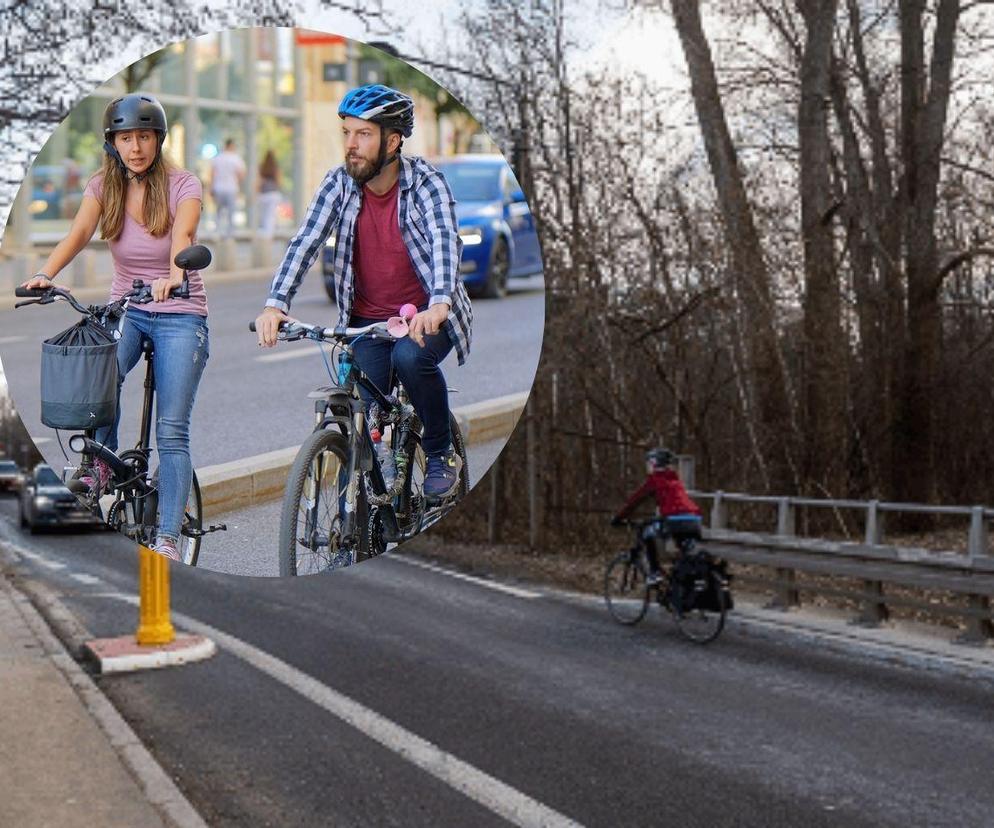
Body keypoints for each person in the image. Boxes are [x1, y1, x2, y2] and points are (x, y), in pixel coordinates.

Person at [255, 84, 473, 501]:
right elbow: (305, 242)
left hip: (427, 316)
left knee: (411, 359)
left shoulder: (426, 182)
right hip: (367, 323)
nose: (351, 145)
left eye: (364, 135)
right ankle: (359, 509)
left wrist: (440, 302)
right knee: (365, 406)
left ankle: (441, 452)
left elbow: (446, 240)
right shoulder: (338, 183)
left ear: (392, 141)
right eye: (347, 134)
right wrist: (275, 304)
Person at [22, 93, 209, 561]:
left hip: (180, 313)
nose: (136, 147)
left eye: (144, 137)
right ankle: (102, 467)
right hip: (126, 308)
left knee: (171, 431)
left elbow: (183, 237)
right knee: (95, 383)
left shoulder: (183, 184)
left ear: (158, 140)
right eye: (126, 138)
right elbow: (79, 233)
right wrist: (48, 273)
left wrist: (174, 275)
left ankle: (167, 536)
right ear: (114, 143)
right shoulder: (103, 186)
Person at [611, 448, 702, 586]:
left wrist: (618, 517)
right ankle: (681, 583)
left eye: (649, 463)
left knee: (647, 533)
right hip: (694, 519)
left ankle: (654, 573)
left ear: (654, 463)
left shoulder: (655, 480)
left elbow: (634, 501)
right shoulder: (675, 480)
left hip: (674, 519)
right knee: (683, 551)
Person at [209, 138, 245, 239]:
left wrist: (211, 188)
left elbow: (212, 174)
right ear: (232, 146)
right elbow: (241, 174)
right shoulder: (236, 158)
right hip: (231, 188)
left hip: (219, 188)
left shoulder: (218, 158)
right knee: (231, 212)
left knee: (218, 211)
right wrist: (237, 182)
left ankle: (217, 232)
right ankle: (230, 235)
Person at [257, 149, 282, 239]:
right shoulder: (275, 167)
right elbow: (279, 181)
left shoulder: (262, 167)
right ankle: (269, 235)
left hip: (263, 195)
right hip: (273, 194)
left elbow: (258, 181)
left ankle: (264, 234)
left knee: (264, 215)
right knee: (271, 215)